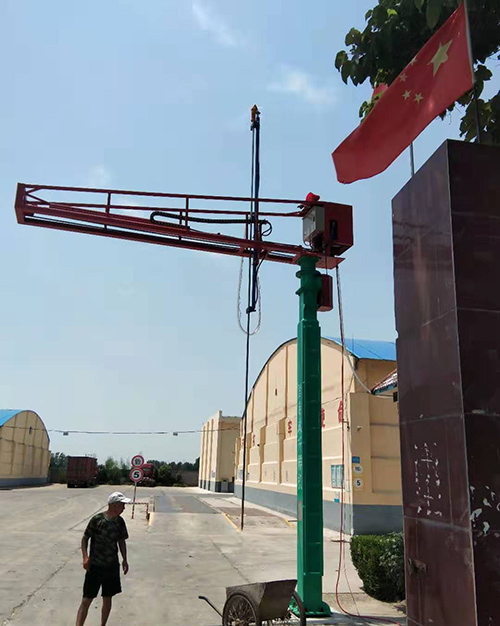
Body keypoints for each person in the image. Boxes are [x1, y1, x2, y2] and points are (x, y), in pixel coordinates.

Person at [75, 492, 132, 626]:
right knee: (86, 599)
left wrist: (124, 559)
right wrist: (85, 557)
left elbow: (121, 541)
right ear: (114, 505)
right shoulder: (97, 520)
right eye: (122, 505)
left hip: (111, 566)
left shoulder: (120, 522)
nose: (124, 508)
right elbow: (85, 538)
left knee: (107, 598)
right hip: (95, 566)